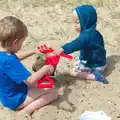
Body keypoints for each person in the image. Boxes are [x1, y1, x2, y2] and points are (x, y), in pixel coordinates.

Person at [0, 16, 58, 116]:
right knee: (52, 91)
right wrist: (46, 68)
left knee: (42, 83)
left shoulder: (4, 55)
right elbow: (30, 80)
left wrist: (32, 51)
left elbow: (15, 58)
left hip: (7, 94)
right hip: (15, 99)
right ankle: (26, 111)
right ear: (15, 42)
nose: (22, 45)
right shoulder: (9, 61)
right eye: (22, 42)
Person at [54, 5, 108, 84]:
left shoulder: (86, 37)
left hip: (94, 64)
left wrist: (63, 48)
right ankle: (92, 68)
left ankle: (94, 76)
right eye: (75, 22)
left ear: (87, 21)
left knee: (73, 72)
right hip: (100, 60)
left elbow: (77, 43)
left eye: (78, 22)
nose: (75, 25)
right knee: (76, 62)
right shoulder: (94, 32)